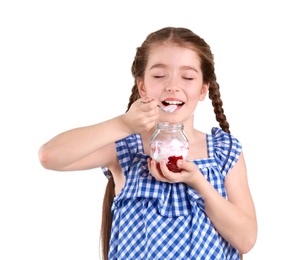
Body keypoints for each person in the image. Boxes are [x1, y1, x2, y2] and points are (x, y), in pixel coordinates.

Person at [38, 27, 257, 260]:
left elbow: (246, 239)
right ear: (142, 86)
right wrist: (123, 124)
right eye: (159, 76)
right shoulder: (126, 147)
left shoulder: (224, 151)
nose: (172, 85)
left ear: (203, 89)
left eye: (188, 77)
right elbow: (50, 156)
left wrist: (197, 182)